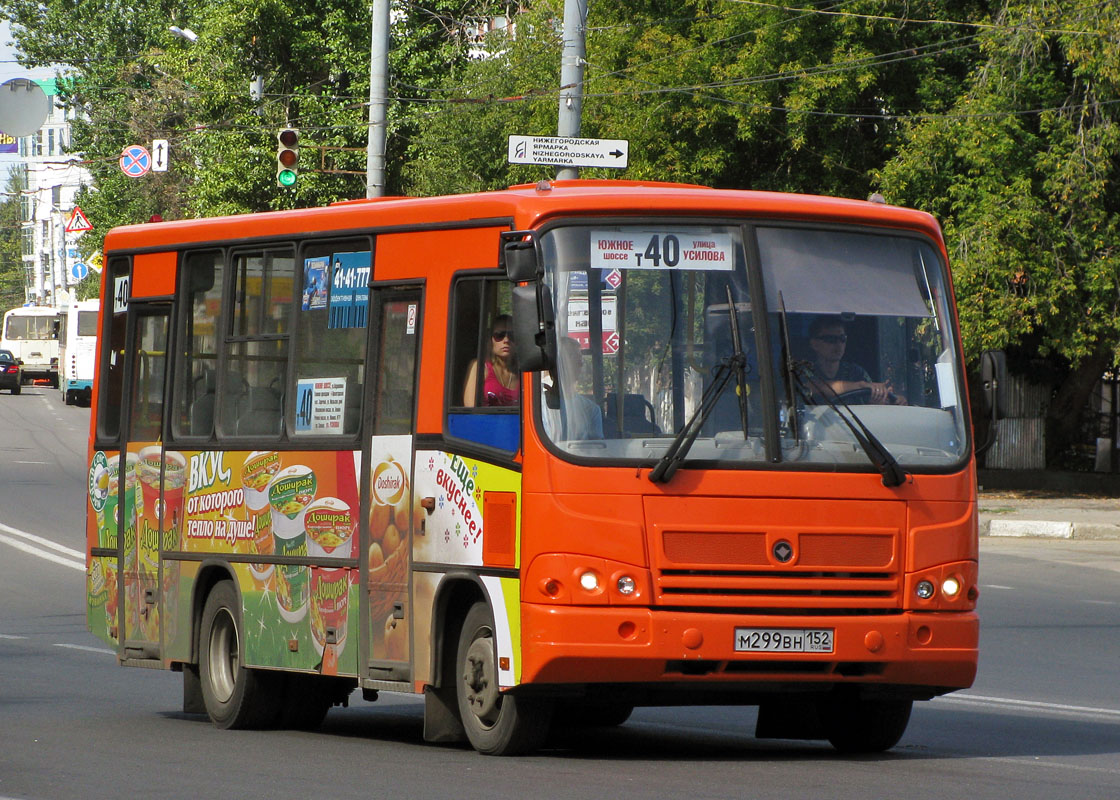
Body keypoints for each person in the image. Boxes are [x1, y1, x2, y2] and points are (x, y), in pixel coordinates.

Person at [806, 315, 903, 405]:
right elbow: (818, 387)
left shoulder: (856, 372)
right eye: (831, 339)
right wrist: (861, 386)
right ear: (814, 344)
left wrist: (884, 399)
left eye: (842, 339)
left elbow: (870, 398)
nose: (838, 344)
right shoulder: (804, 373)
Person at [542, 337, 604, 440]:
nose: (581, 364)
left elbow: (596, 449)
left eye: (580, 360)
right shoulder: (537, 406)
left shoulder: (591, 410)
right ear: (557, 364)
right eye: (573, 358)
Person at [463, 314, 519, 407]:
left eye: (511, 335)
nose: (506, 340)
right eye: (499, 335)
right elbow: (470, 410)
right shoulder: (479, 367)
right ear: (490, 340)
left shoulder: (523, 372)